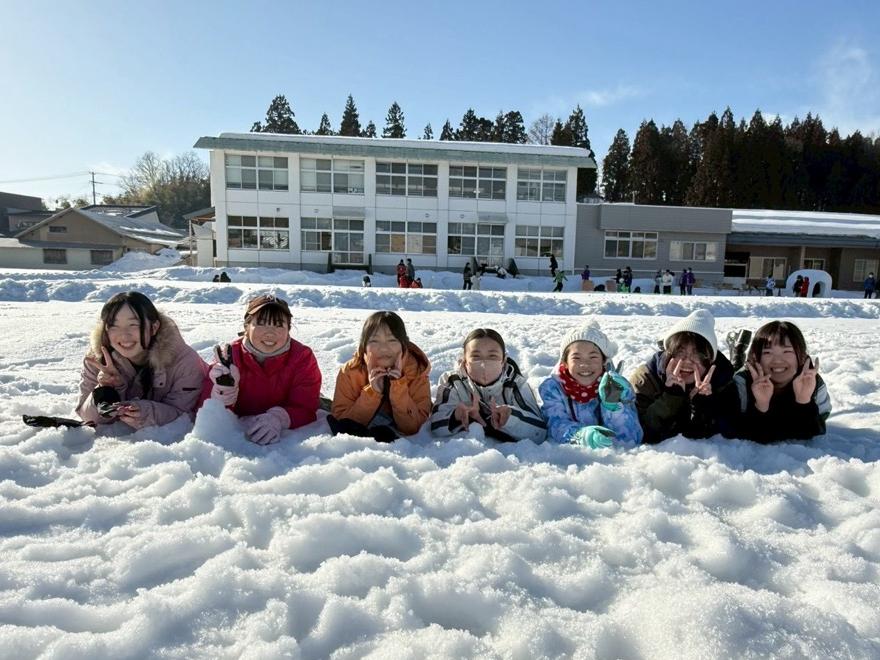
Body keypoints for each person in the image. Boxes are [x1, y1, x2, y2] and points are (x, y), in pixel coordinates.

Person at [200, 294, 321, 445]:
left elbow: (306, 407)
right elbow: (204, 408)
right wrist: (223, 392)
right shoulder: (229, 357)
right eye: (261, 323)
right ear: (246, 327)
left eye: (278, 325)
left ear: (289, 329)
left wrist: (279, 418)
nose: (270, 332)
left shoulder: (302, 357)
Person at [77, 291, 207, 428]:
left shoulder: (186, 362)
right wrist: (105, 390)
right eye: (113, 326)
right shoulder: (98, 358)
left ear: (154, 327)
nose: (124, 335)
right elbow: (86, 417)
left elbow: (185, 416)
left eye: (134, 325)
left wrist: (144, 412)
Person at [629, 309, 735, 444]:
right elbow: (638, 432)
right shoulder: (646, 378)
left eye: (698, 354)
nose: (687, 361)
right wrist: (671, 398)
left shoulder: (722, 380)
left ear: (710, 361)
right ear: (668, 353)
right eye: (680, 352)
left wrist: (703, 407)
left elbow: (730, 433)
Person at [718, 321, 831, 443]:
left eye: (787, 351)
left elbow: (816, 431)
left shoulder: (812, 383)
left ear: (802, 356)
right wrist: (761, 405)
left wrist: (803, 401)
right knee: (735, 370)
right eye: (767, 352)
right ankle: (738, 353)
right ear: (757, 358)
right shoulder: (742, 384)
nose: (777, 360)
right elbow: (735, 431)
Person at [330, 311, 431, 442]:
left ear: (403, 343)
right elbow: (342, 422)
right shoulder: (351, 371)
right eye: (374, 341)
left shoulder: (416, 371)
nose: (384, 348)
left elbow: (413, 427)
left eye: (392, 340)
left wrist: (398, 387)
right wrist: (372, 393)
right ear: (364, 345)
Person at [431, 328, 545, 443]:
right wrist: (456, 416)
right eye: (476, 356)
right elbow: (436, 425)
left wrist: (511, 418)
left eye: (492, 356)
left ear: (503, 360)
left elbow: (539, 431)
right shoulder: (453, 381)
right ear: (464, 360)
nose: (483, 364)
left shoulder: (516, 384)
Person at [539, 322, 642, 448]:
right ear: (565, 362)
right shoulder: (553, 388)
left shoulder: (617, 388)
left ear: (604, 361)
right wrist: (581, 435)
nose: (585, 364)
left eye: (593, 357)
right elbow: (556, 425)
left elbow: (631, 439)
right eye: (576, 358)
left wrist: (613, 407)